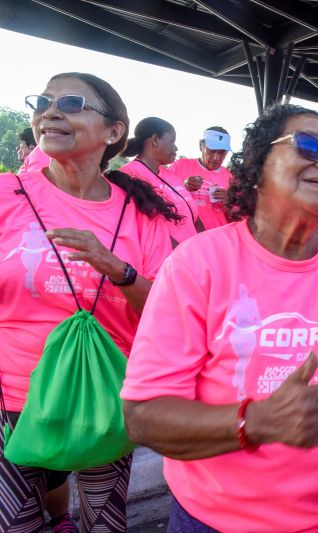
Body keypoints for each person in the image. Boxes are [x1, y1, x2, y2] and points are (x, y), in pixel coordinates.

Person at [121, 104, 318, 533]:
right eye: (309, 146)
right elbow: (143, 416)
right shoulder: (198, 264)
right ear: (258, 163)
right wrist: (256, 422)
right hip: (218, 521)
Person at [0, 72, 174, 532]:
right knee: (15, 526)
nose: (50, 112)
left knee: (105, 525)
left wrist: (116, 268)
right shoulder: (7, 195)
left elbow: (166, 313)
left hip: (106, 400)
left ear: (113, 131)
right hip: (13, 401)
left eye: (72, 103)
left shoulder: (141, 213)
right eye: (43, 102)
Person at [120, 117, 204, 244]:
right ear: (155, 140)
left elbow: (194, 218)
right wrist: (182, 253)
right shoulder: (128, 176)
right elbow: (144, 230)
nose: (176, 148)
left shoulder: (172, 177)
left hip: (192, 251)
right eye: (172, 141)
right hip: (170, 255)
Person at [168, 126, 234, 230]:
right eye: (212, 151)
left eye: (222, 153)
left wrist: (228, 201)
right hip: (186, 237)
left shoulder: (231, 179)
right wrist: (182, 187)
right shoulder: (180, 166)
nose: (216, 157)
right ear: (200, 146)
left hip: (219, 237)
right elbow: (160, 198)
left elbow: (238, 219)